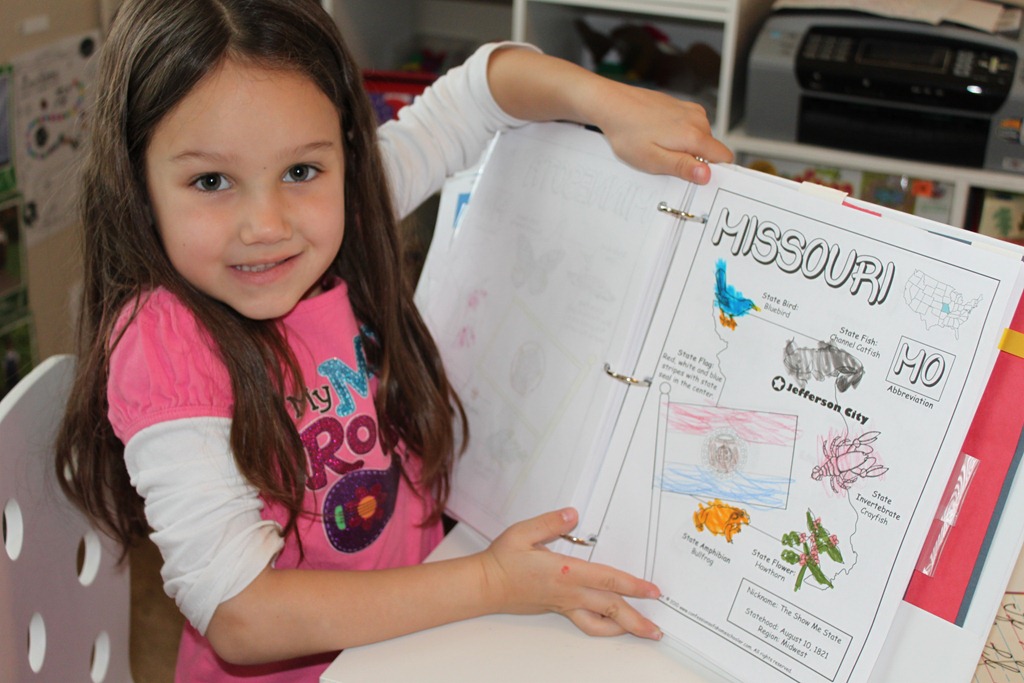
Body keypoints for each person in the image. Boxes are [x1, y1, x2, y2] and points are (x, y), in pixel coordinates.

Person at [54, 0, 732, 680]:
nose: (267, 225)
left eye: (300, 170)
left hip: (417, 639)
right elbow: (240, 613)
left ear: (345, 149)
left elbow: (480, 92)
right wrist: (492, 582)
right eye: (211, 181)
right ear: (138, 185)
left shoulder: (347, 213)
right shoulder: (165, 343)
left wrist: (609, 104)